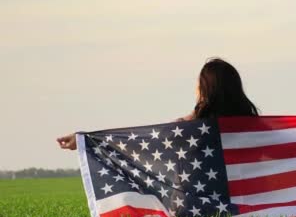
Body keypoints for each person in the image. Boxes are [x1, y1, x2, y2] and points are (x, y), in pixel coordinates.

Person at [56, 57, 259, 150]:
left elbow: (136, 140)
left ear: (204, 91)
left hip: (197, 210)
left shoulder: (187, 127)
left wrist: (86, 140)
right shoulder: (257, 130)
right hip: (247, 208)